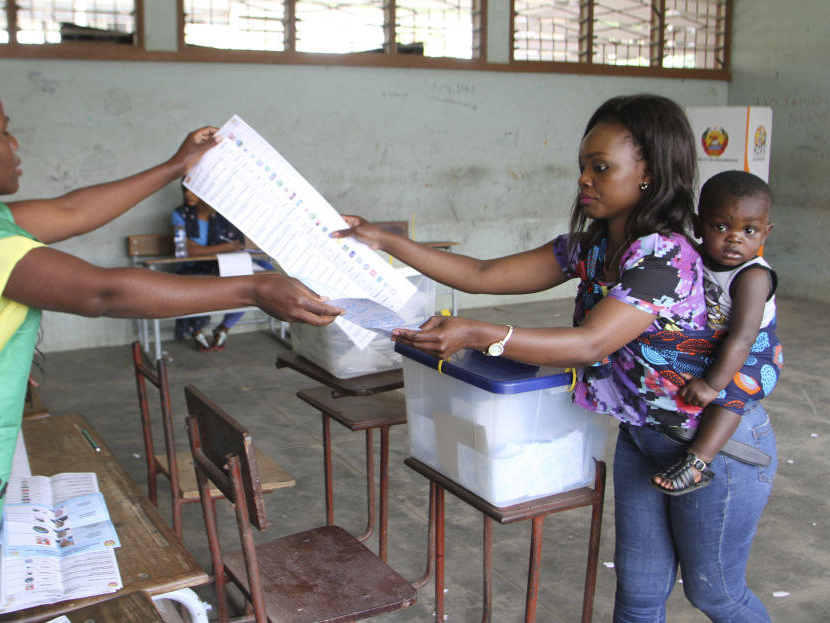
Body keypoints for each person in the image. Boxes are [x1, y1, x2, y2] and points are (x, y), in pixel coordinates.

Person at [0, 66, 341, 623]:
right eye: (6, 130)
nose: (16, 144)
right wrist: (253, 286)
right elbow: (104, 293)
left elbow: (71, 210)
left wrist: (175, 166)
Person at [334, 94, 776, 622]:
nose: (584, 179)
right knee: (637, 595)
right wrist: (385, 240)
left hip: (716, 450)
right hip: (641, 436)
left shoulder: (667, 256)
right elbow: (481, 274)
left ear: (649, 174)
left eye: (601, 167)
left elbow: (592, 342)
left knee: (715, 594)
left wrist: (480, 334)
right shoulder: (589, 248)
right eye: (583, 167)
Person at [652, 170, 780, 494]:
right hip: (715, 341)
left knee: (731, 391)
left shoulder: (752, 277)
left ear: (765, 234)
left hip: (755, 352)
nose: (735, 238)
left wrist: (712, 385)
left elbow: (743, 339)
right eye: (721, 226)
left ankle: (698, 462)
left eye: (749, 230)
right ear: (698, 225)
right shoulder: (694, 256)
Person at [171, 187, 250, 351]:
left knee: (251, 281)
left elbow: (238, 244)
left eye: (192, 190)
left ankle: (224, 328)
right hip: (190, 268)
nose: (187, 195)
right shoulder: (179, 214)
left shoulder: (222, 217)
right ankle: (196, 331)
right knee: (193, 286)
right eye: (184, 190)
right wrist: (224, 247)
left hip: (221, 265)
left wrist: (202, 248)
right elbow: (184, 251)